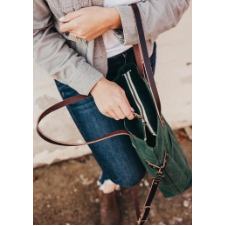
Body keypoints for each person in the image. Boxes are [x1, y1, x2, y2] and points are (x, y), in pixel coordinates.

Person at [33, 0, 190, 224]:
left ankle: (109, 180)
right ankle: (107, 184)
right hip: (78, 70)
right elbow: (34, 34)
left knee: (148, 145)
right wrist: (95, 84)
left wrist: (115, 18)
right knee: (127, 173)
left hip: (139, 55)